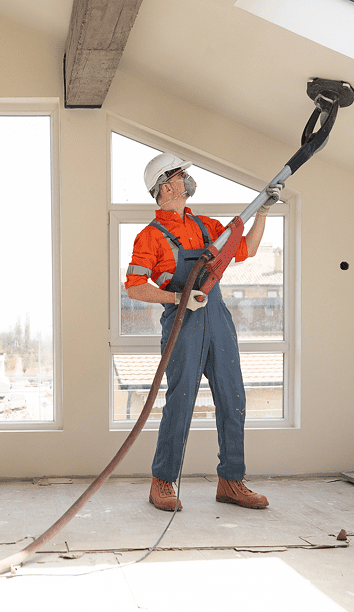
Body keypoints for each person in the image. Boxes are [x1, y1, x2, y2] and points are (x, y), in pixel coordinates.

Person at [125, 153, 283, 511]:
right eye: (182, 176)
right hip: (184, 322)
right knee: (180, 402)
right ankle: (162, 482)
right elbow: (134, 287)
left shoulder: (207, 226)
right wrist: (178, 297)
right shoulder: (149, 237)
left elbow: (249, 248)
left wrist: (264, 211)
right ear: (167, 186)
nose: (188, 180)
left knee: (234, 398)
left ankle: (231, 481)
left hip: (218, 318)